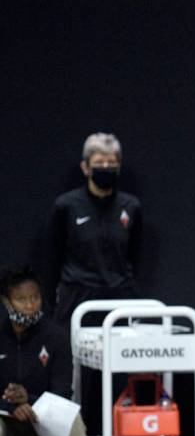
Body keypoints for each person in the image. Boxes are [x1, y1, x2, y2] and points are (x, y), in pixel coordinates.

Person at [43, 132, 142, 328]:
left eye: (111, 163)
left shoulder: (131, 206)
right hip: (76, 299)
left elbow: (135, 256)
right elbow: (51, 258)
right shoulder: (66, 206)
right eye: (99, 163)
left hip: (119, 301)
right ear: (85, 167)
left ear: (119, 167)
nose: (105, 168)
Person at [0, 265, 88, 436]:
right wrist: (10, 405)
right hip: (8, 427)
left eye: (35, 297)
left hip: (46, 428)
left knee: (75, 424)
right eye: (21, 300)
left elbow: (63, 393)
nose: (30, 305)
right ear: (6, 302)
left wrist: (29, 400)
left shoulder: (56, 337)